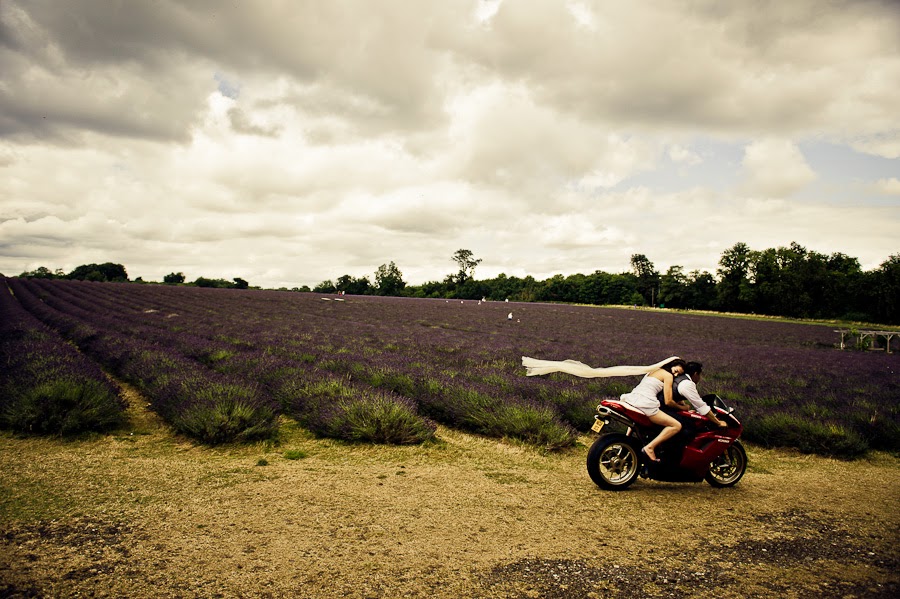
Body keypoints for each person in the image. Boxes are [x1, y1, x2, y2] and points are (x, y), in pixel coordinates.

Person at [618, 358, 686, 462]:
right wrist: (683, 408)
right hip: (646, 403)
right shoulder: (668, 375)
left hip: (632, 398)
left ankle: (626, 442)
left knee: (635, 420)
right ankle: (650, 447)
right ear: (671, 365)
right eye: (676, 371)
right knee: (676, 425)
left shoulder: (653, 371)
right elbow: (668, 401)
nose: (675, 375)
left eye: (679, 375)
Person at [657, 361, 727, 429]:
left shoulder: (680, 379)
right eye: (700, 375)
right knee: (690, 427)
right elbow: (701, 407)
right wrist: (718, 422)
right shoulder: (687, 384)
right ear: (696, 374)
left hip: (662, 407)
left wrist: (686, 410)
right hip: (662, 409)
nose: (700, 378)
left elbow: (677, 398)